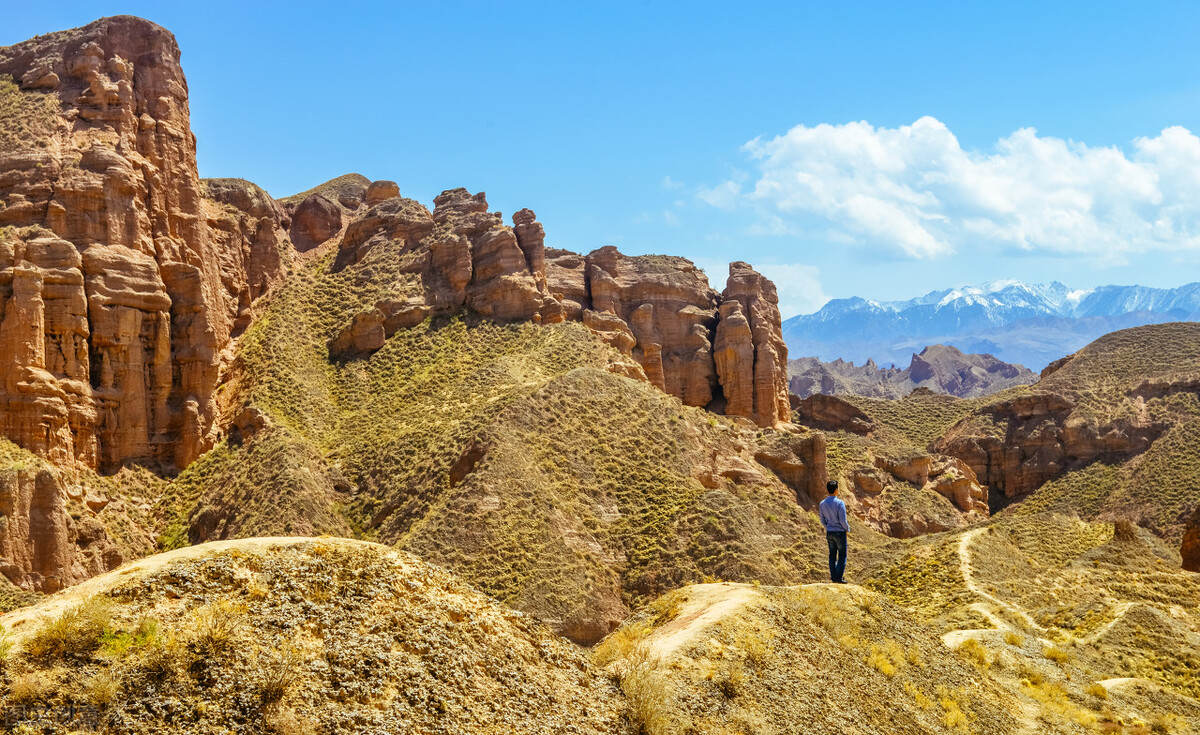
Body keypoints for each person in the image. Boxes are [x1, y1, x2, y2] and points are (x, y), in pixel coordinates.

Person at [818, 480, 848, 583]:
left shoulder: (822, 504)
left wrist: (828, 527)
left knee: (832, 555)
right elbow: (842, 520)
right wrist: (847, 529)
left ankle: (833, 577)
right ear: (836, 490)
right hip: (840, 532)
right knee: (842, 555)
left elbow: (822, 519)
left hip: (829, 532)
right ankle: (838, 578)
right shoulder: (840, 503)